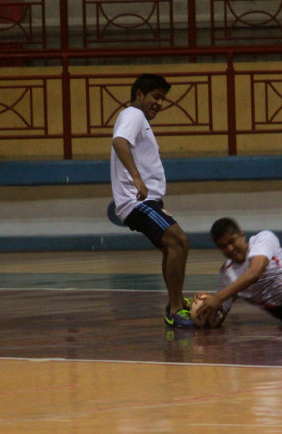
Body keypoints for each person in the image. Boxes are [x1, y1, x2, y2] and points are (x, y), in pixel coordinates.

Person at [111, 73, 193, 328]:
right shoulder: (133, 115)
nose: (160, 103)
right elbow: (119, 142)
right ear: (139, 95)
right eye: (156, 97)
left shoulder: (140, 121)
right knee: (179, 241)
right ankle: (176, 309)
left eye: (163, 99)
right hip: (136, 201)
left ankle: (175, 302)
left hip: (148, 202)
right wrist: (136, 178)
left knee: (172, 247)